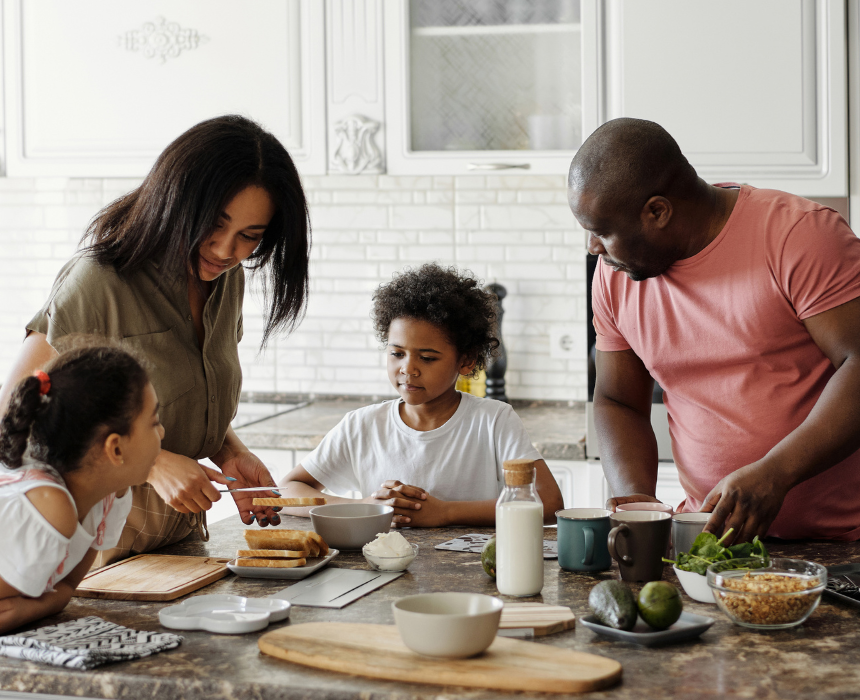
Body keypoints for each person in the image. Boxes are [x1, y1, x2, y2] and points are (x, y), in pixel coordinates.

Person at [0, 115, 311, 564]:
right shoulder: (99, 280)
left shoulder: (228, 281)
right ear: (176, 202)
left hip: (177, 545)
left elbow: (172, 398)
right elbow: (17, 415)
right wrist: (152, 465)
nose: (226, 250)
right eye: (213, 225)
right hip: (93, 553)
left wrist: (230, 452)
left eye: (250, 237)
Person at [569, 117, 860, 544]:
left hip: (842, 546)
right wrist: (634, 499)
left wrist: (776, 473)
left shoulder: (799, 236)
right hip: (713, 543)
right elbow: (617, 400)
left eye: (601, 232)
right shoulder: (616, 275)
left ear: (658, 211)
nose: (592, 248)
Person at [277, 263, 564, 526]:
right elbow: (286, 491)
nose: (408, 369)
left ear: (465, 360)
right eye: (397, 353)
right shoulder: (362, 425)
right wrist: (365, 506)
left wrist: (446, 512)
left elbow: (549, 502)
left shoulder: (494, 420)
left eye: (427, 358)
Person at [0, 344, 163, 634]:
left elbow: (64, 590)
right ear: (115, 448)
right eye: (154, 423)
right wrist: (40, 603)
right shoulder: (48, 506)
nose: (162, 433)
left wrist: (32, 607)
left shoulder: (110, 495)